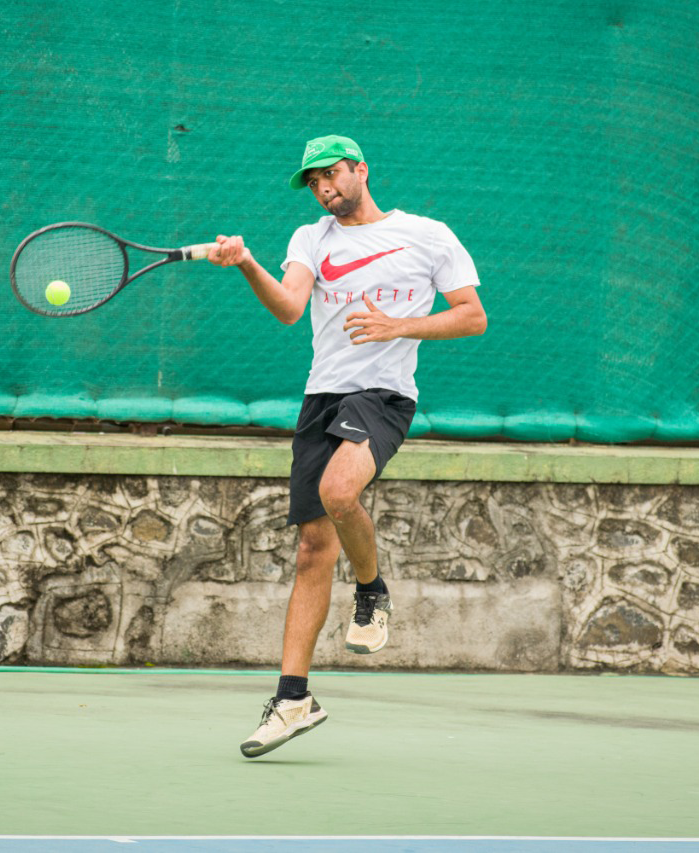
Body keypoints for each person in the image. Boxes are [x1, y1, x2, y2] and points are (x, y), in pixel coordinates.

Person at [208, 135, 487, 757]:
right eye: (312, 181)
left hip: (383, 392)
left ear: (361, 169)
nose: (323, 187)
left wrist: (400, 326)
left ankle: (371, 588)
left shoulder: (427, 234)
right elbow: (288, 308)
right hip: (322, 397)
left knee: (340, 491)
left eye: (331, 174)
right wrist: (248, 263)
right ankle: (292, 699)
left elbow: (473, 316)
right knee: (311, 551)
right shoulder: (311, 239)